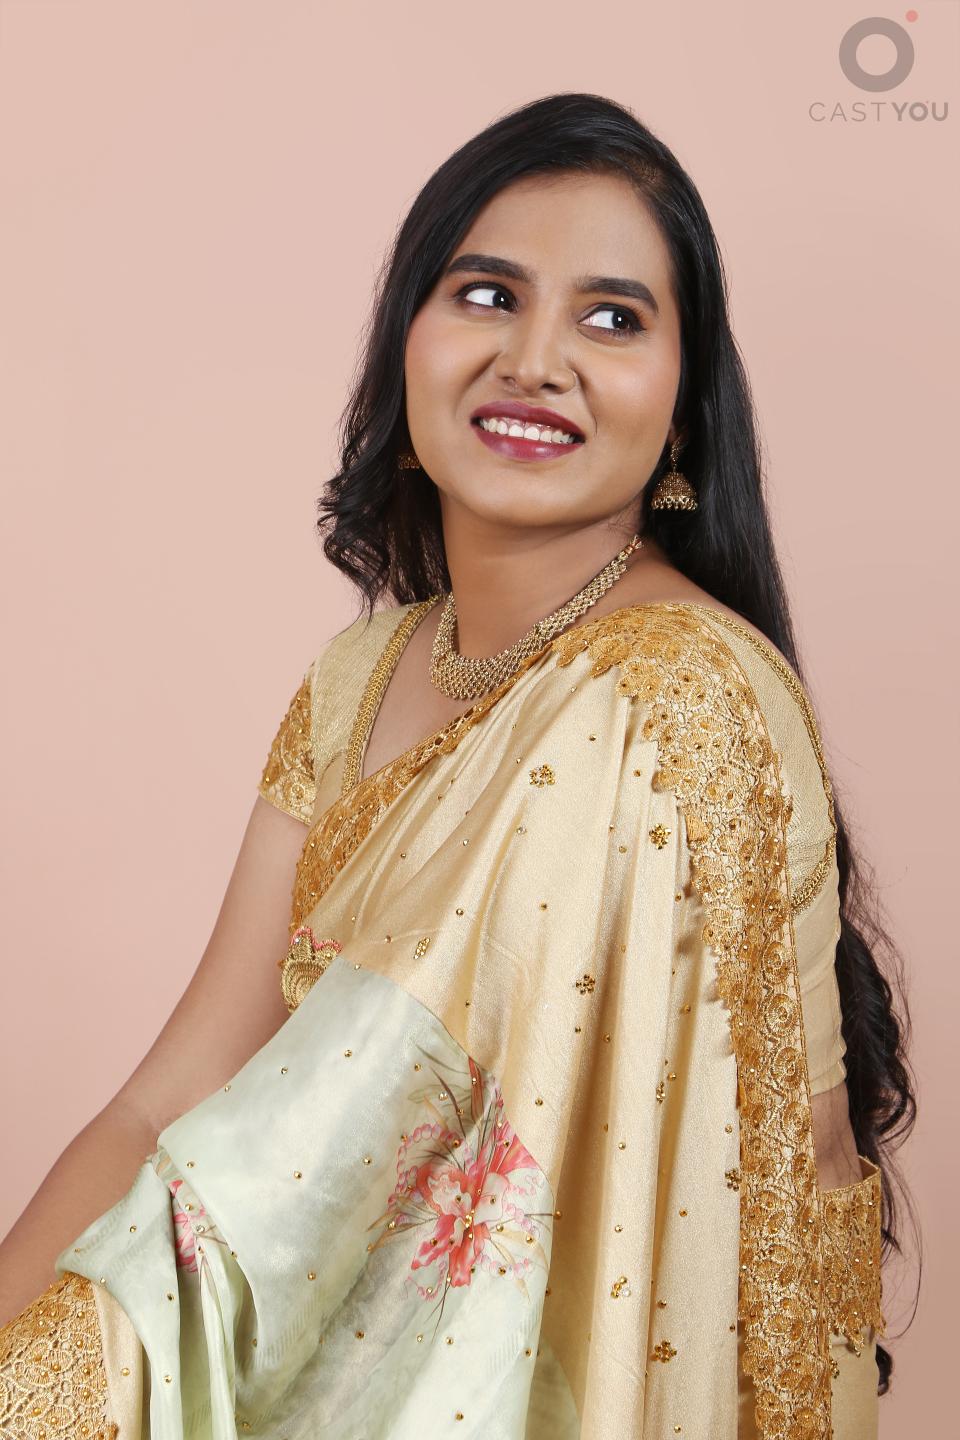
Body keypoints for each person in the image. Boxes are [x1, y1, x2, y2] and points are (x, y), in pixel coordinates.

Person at [0, 92, 917, 1439]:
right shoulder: (361, 676)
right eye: (488, 295)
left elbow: (344, 1147)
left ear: (683, 413)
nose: (535, 360)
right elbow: (167, 1098)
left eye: (614, 319)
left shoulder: (680, 695)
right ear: (406, 342)